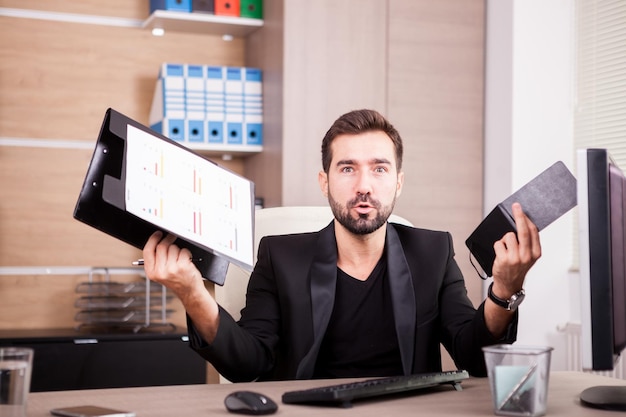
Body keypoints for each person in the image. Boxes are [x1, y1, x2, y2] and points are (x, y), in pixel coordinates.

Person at [142, 109, 541, 382]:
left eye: (379, 169)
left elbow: (473, 357)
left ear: (398, 182)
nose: (364, 185)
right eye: (347, 168)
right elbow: (248, 362)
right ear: (325, 181)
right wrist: (192, 293)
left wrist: (503, 291)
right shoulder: (280, 257)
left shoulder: (433, 253)